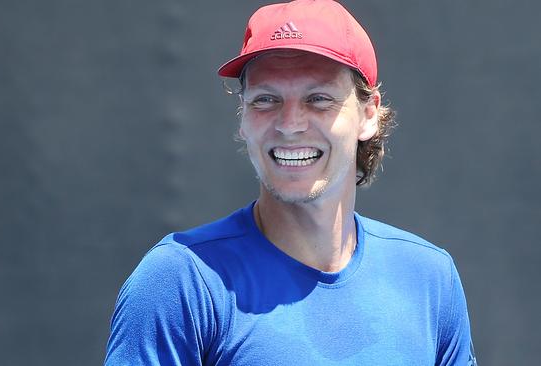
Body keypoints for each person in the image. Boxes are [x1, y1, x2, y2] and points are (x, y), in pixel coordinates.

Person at [105, 0, 476, 364]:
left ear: (368, 114)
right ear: (243, 119)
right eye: (266, 100)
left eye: (318, 99)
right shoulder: (181, 281)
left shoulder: (429, 278)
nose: (289, 124)